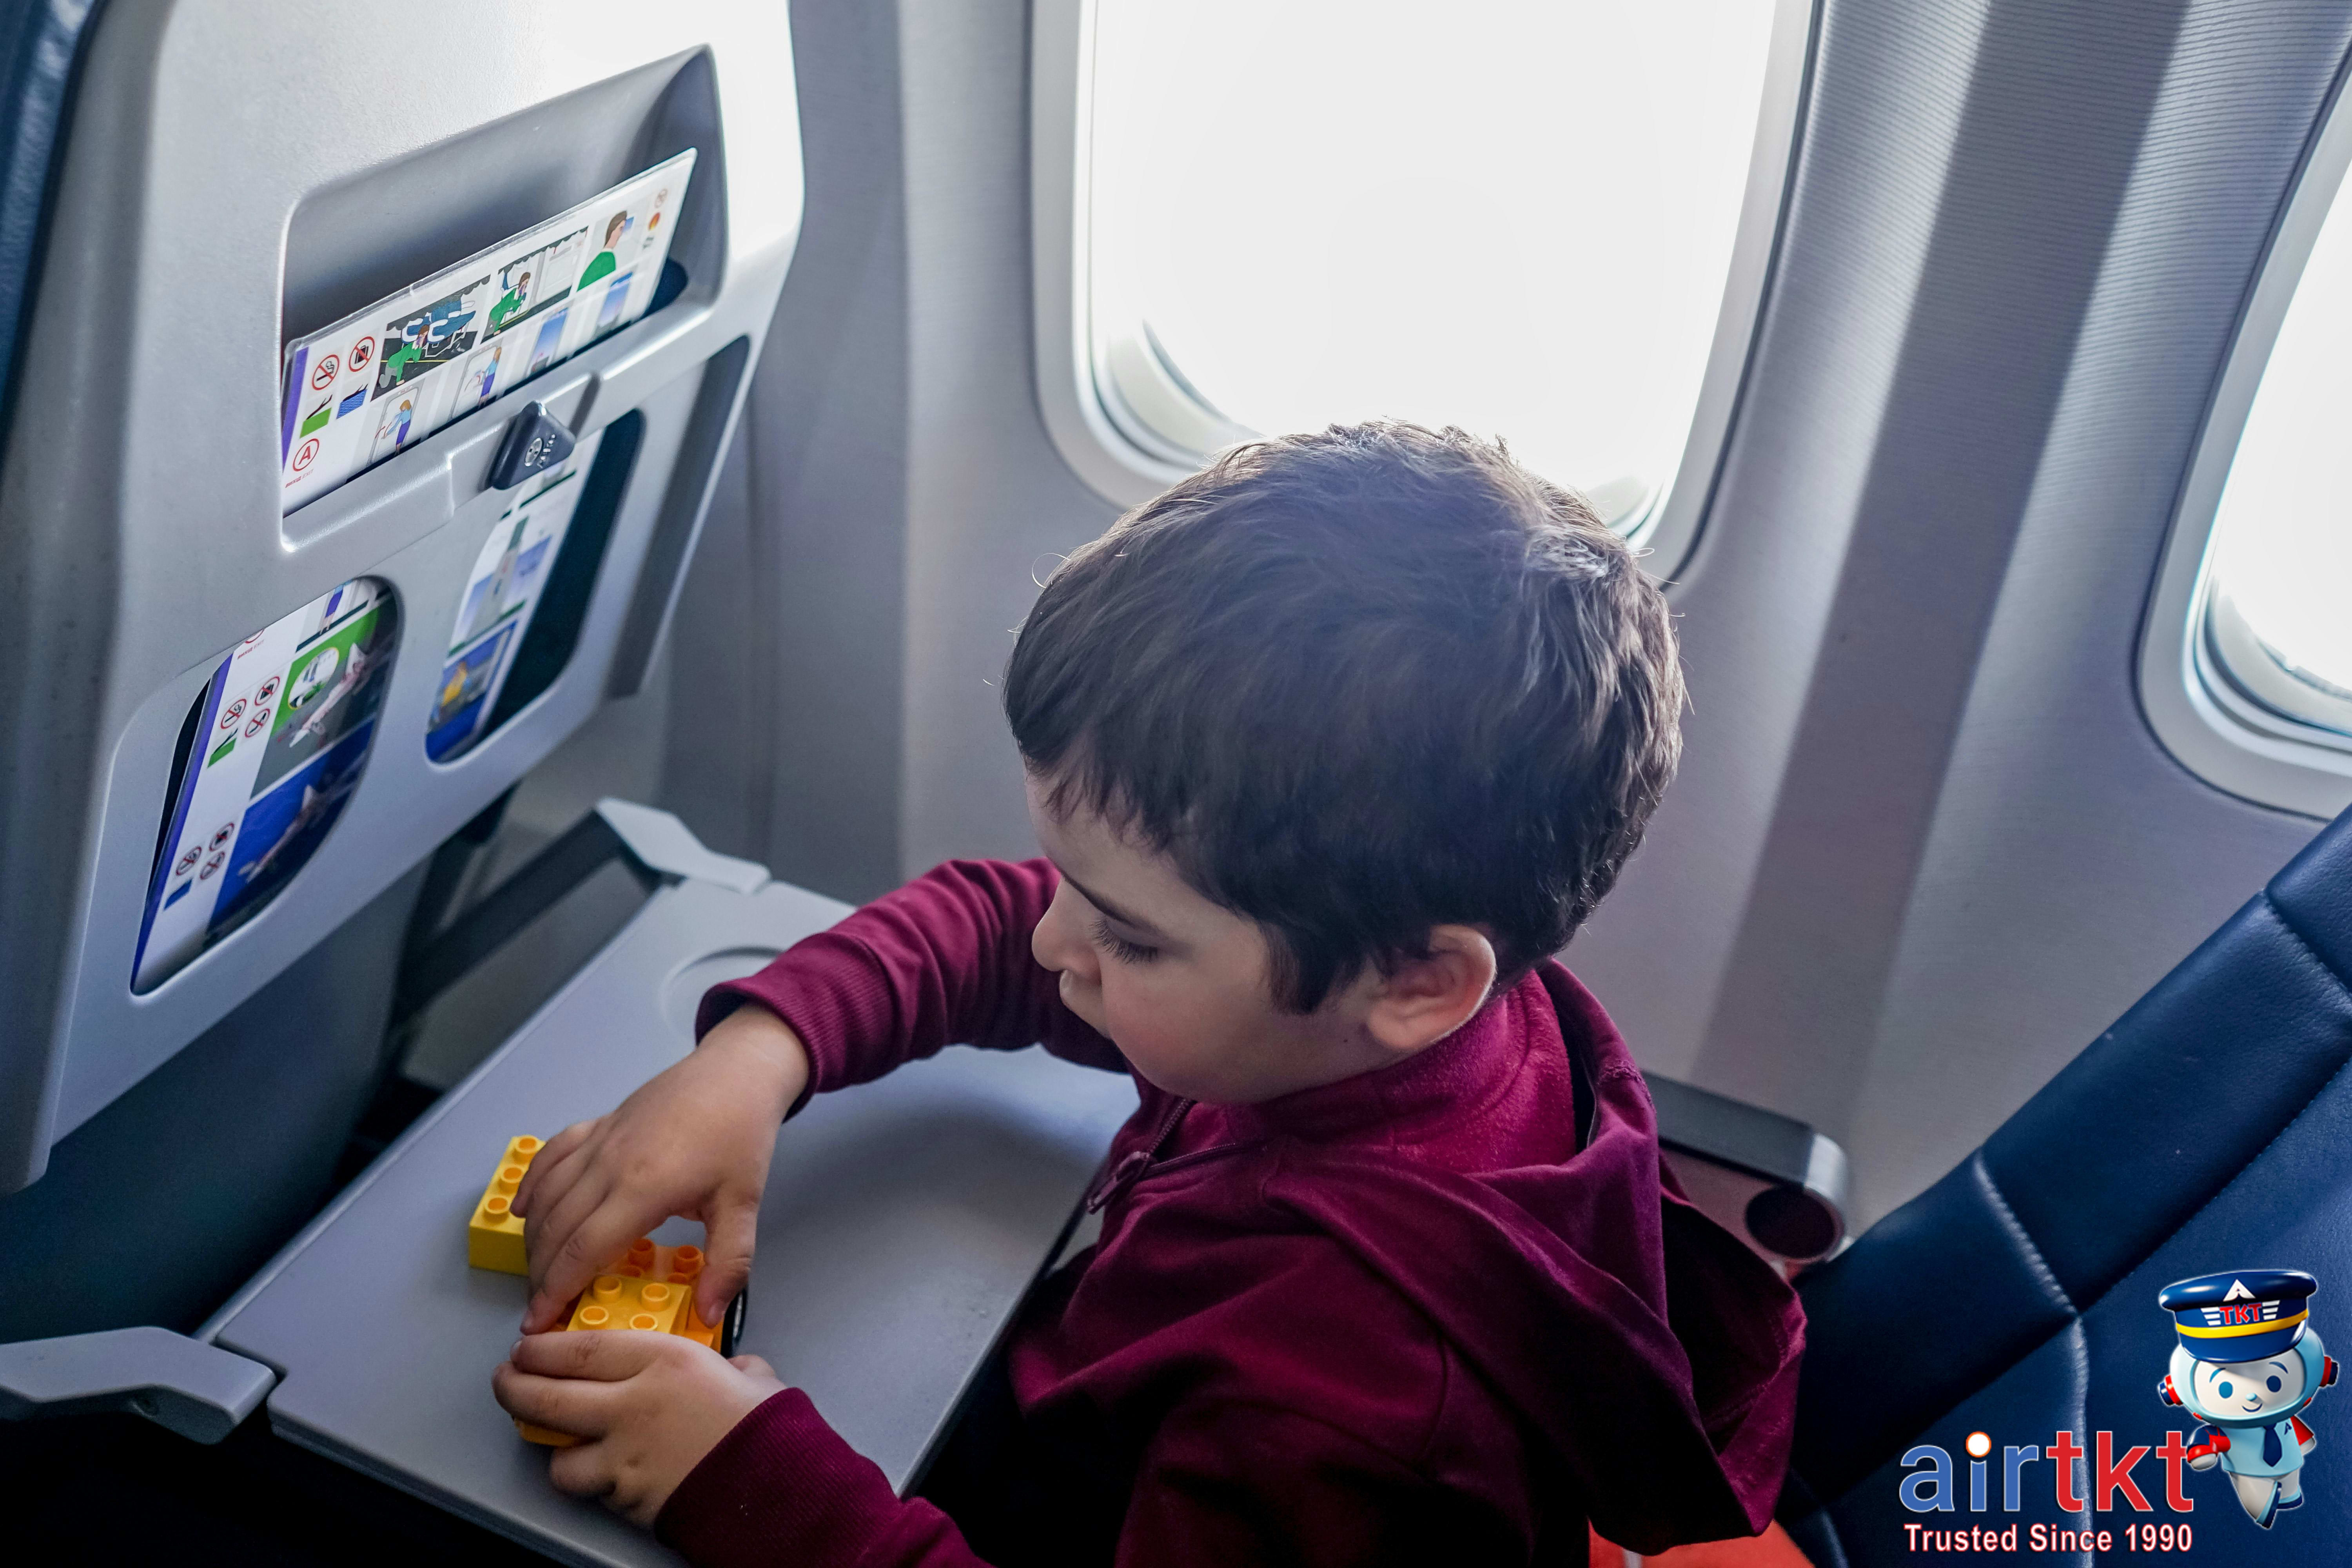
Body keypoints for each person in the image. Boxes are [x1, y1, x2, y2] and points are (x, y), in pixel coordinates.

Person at [491, 422, 1806, 1565]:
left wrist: (747, 1481)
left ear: (1416, 981)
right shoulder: (1381, 1029)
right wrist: (754, 1061)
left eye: (1127, 936)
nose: (1057, 941)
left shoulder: (1345, 1414)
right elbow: (1002, 922)